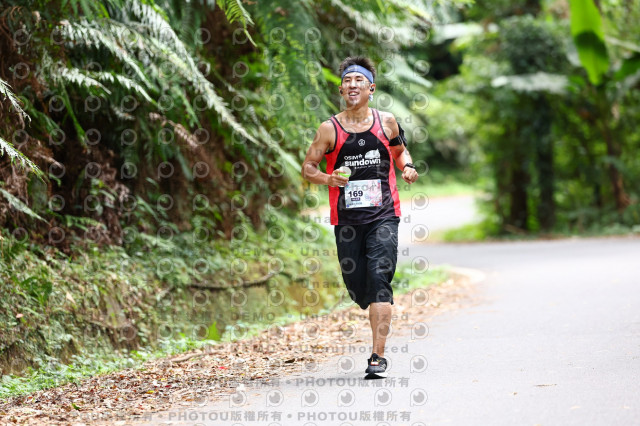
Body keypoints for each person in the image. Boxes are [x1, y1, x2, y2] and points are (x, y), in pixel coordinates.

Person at [301, 56, 419, 378]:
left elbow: (399, 152)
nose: (352, 85)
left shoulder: (387, 122)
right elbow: (308, 168)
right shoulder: (329, 129)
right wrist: (328, 179)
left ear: (371, 88)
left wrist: (407, 167)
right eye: (347, 80)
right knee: (357, 287)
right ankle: (368, 299)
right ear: (341, 89)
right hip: (347, 222)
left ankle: (377, 357)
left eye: (359, 80)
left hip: (384, 215)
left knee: (380, 281)